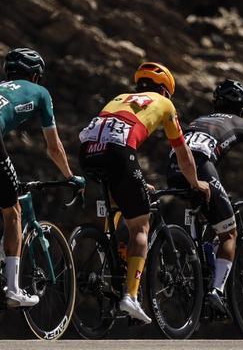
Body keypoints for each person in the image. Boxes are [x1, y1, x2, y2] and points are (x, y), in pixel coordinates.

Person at [0, 47, 81, 308]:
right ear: (35, 75)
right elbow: (53, 148)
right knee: (13, 210)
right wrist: (70, 176)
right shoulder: (40, 93)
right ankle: (13, 288)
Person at [78, 62, 211, 324]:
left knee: (121, 196)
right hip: (119, 153)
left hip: (87, 152)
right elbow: (183, 154)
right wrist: (196, 183)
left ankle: (108, 247)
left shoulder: (118, 98)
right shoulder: (165, 104)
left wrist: (137, 181)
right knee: (141, 226)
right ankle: (131, 296)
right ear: (165, 91)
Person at [163, 79, 243, 316]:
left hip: (174, 167)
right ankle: (216, 290)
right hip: (201, 167)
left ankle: (194, 260)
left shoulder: (199, 120)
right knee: (228, 232)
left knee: (204, 209)